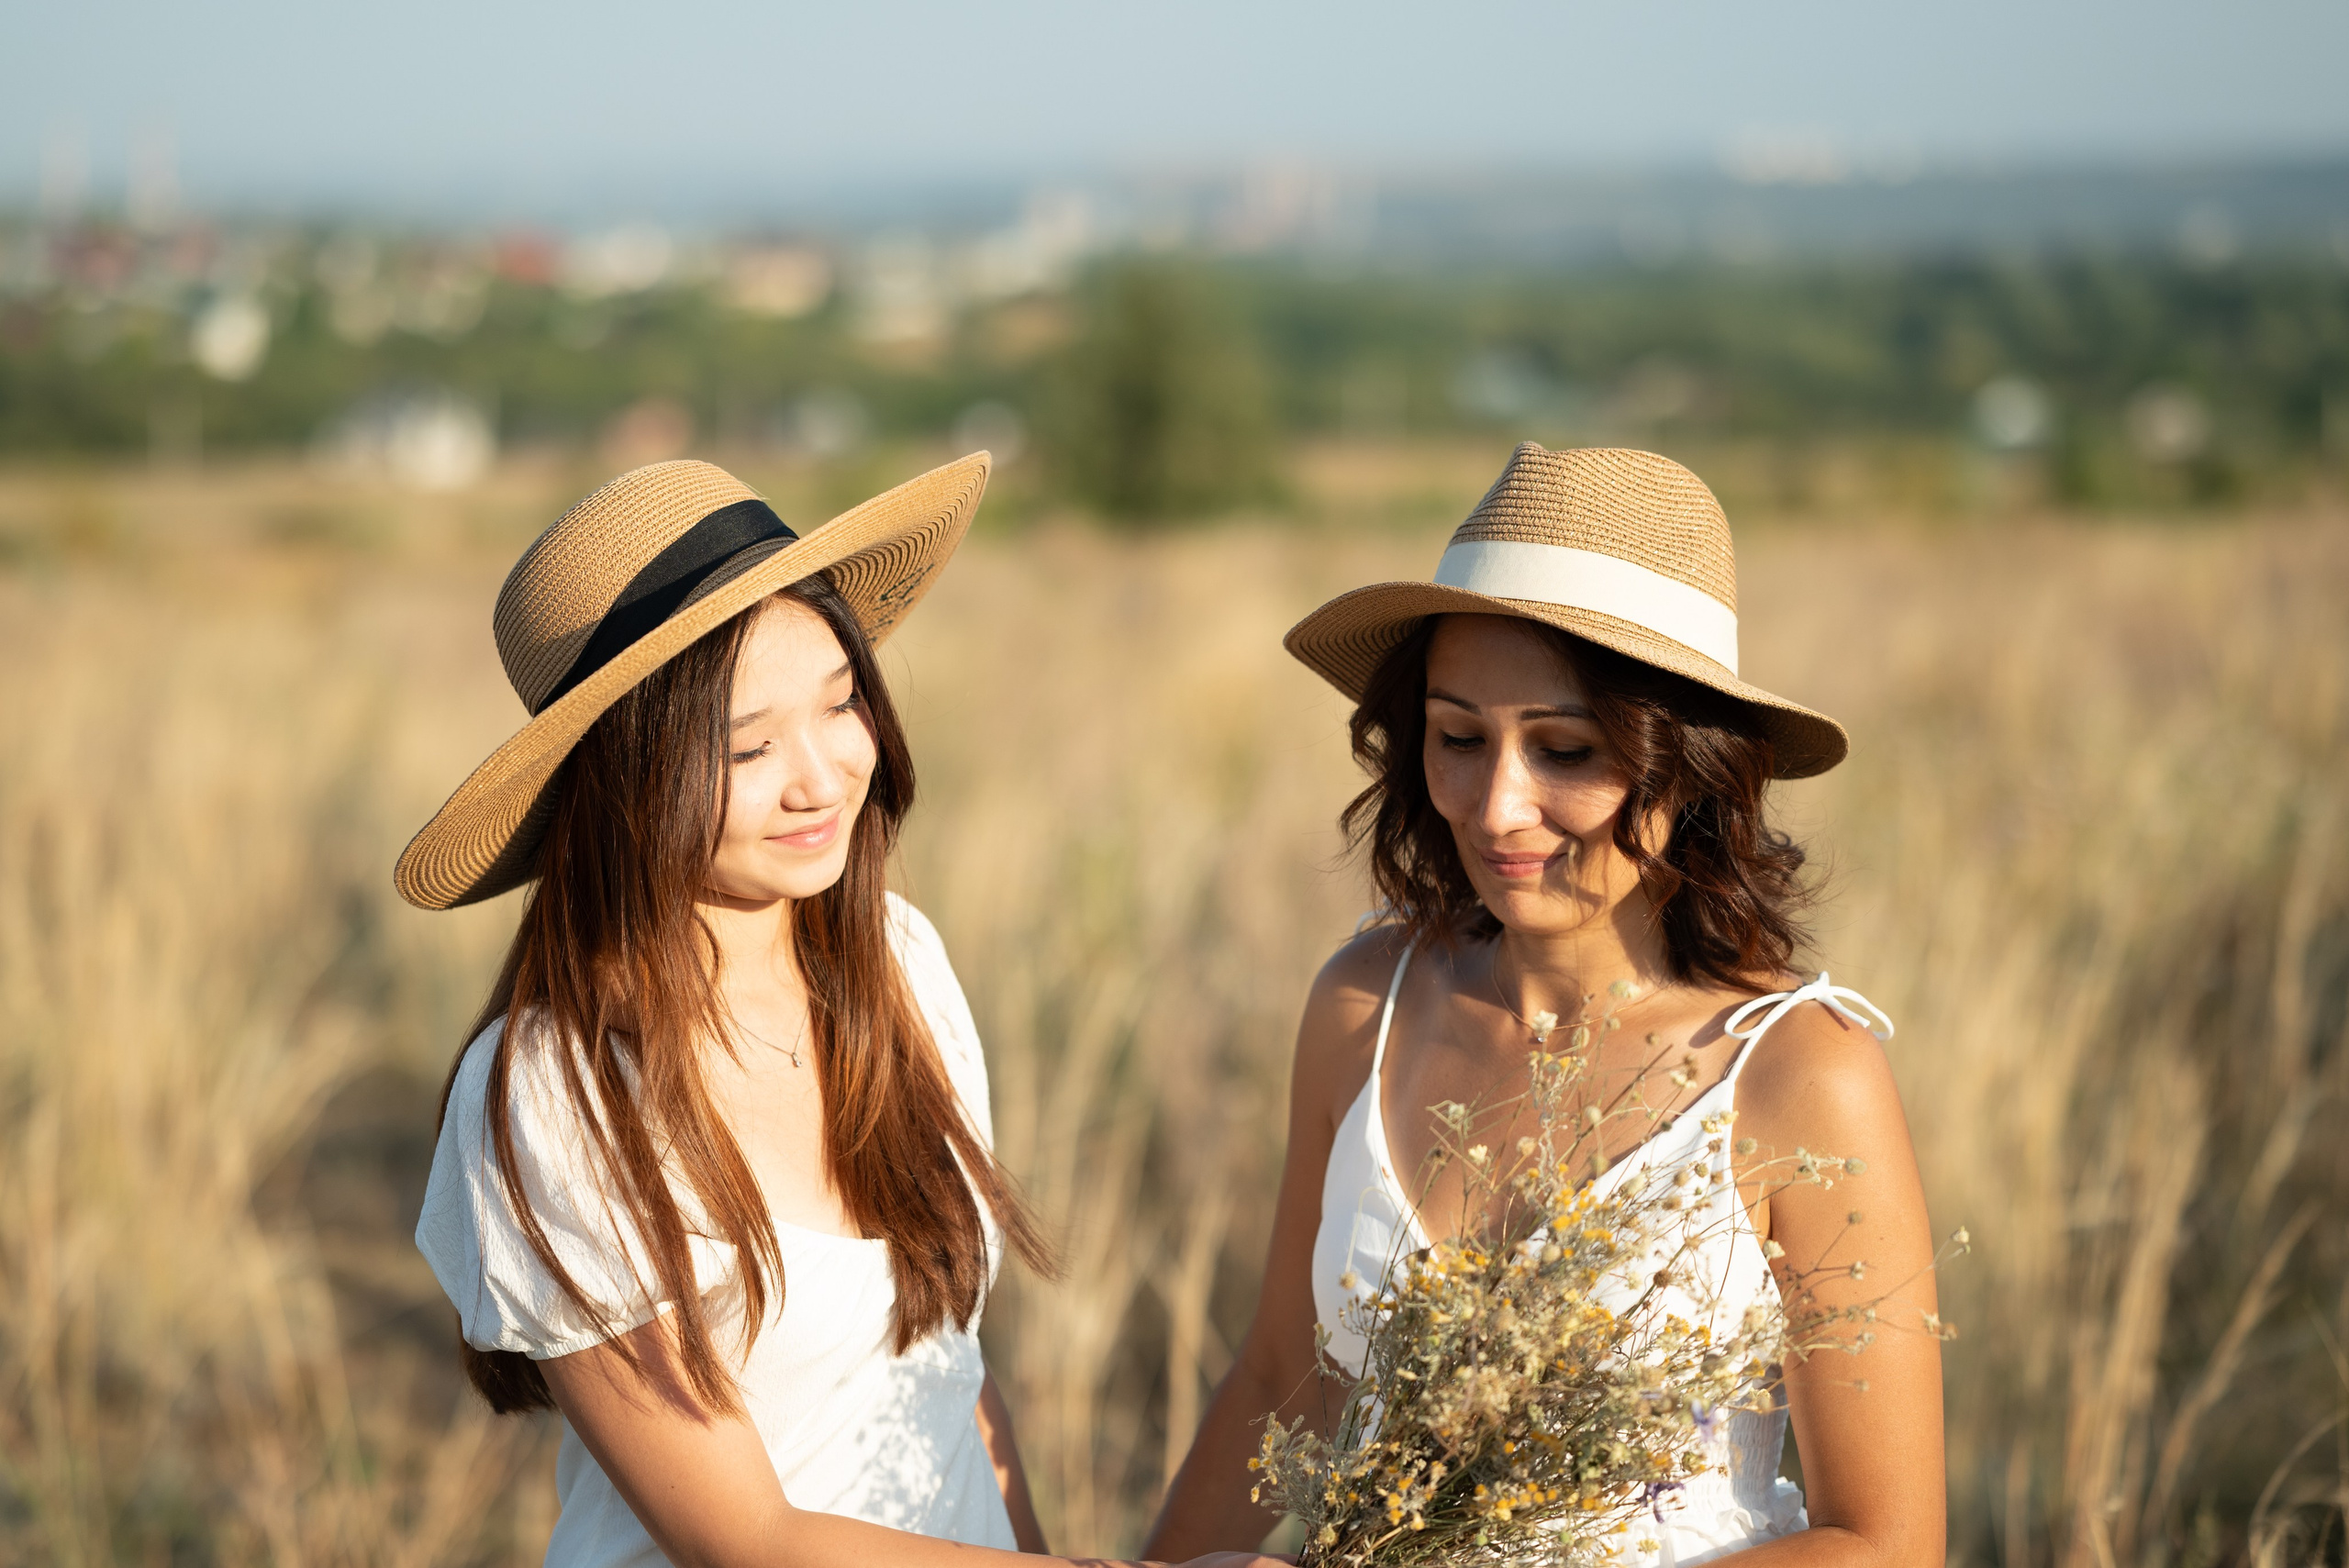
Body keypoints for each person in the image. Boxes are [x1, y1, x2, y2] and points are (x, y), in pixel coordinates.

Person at [401, 457, 1280, 1568]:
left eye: (840, 700)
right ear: (624, 779)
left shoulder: (899, 967)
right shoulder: (556, 1090)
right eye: (748, 745)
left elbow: (950, 1372)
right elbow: (743, 1538)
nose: (821, 777)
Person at [1148, 444, 1944, 1568]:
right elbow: (1285, 1374)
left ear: (1691, 764)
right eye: (1458, 737)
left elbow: (1883, 1542)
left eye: (1564, 748)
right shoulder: (1359, 1003)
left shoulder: (1801, 1072)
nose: (1496, 805)